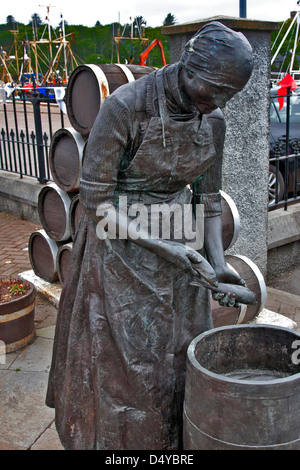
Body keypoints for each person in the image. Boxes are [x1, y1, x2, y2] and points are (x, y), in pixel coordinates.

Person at [46, 21, 254, 450]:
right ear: (188, 69)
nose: (217, 104)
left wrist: (216, 262)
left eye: (227, 96)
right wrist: (166, 247)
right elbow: (97, 200)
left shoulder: (212, 119)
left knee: (179, 357)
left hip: (182, 244)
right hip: (119, 244)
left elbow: (209, 200)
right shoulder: (125, 107)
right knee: (127, 369)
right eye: (213, 91)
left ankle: (172, 444)